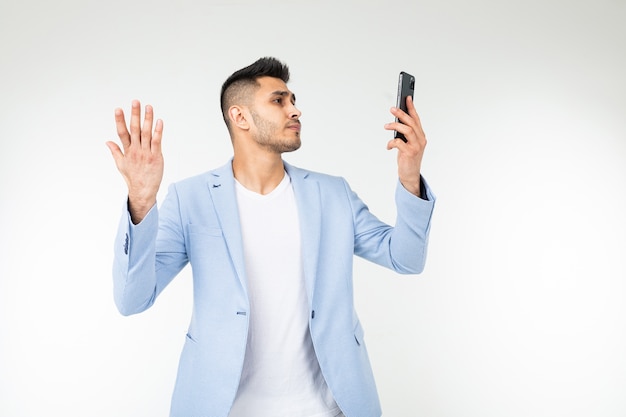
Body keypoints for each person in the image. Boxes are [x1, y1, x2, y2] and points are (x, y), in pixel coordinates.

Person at [106, 57, 435, 417]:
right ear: (240, 117)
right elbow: (132, 300)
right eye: (279, 101)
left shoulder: (332, 194)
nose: (294, 110)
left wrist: (410, 178)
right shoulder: (192, 198)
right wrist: (140, 201)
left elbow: (405, 258)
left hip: (328, 408)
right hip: (224, 408)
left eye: (292, 100)